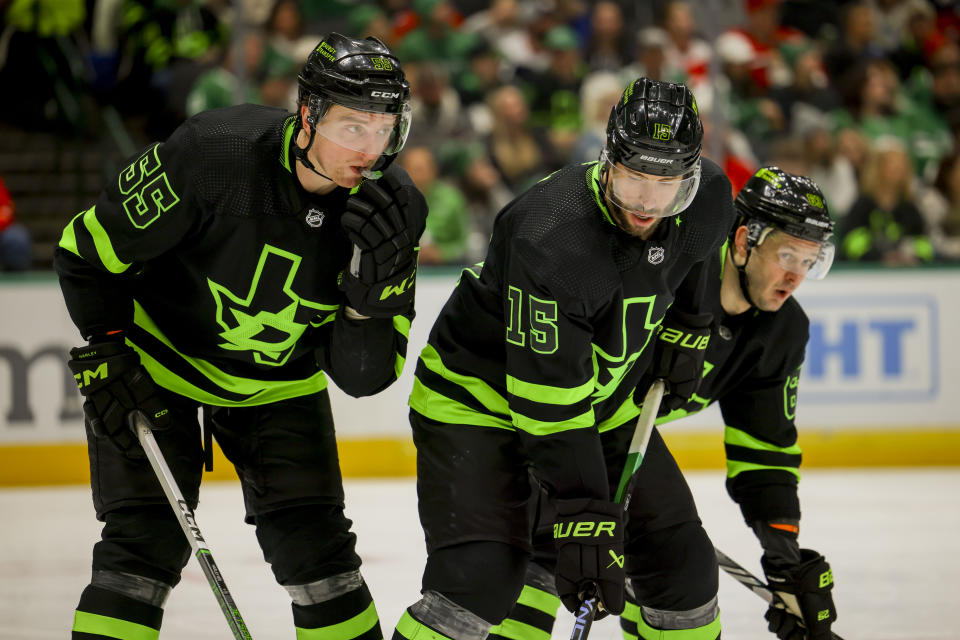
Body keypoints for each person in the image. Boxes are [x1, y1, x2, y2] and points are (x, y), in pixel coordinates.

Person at [55, 33, 426, 638]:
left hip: (281, 383)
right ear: (307, 116)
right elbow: (85, 253)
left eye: (385, 127)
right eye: (353, 126)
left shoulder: (391, 210)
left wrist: (368, 302)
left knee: (320, 559)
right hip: (158, 361)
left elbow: (363, 378)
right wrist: (107, 345)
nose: (371, 147)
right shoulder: (214, 153)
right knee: (140, 551)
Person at [391, 77, 735, 640]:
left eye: (667, 182)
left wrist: (690, 333)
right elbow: (548, 404)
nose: (648, 204)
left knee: (682, 569)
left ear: (691, 175)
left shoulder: (707, 200)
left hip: (597, 403)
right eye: (634, 179)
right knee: (479, 581)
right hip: (479, 403)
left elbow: (697, 253)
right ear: (607, 160)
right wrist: (581, 514)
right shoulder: (550, 237)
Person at [495, 166, 840, 640]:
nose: (794, 278)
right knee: (532, 574)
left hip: (613, 434)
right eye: (787, 256)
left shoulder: (780, 332)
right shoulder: (670, 271)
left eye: (809, 262)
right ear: (742, 242)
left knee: (674, 572)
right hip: (540, 423)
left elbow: (764, 451)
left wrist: (783, 558)